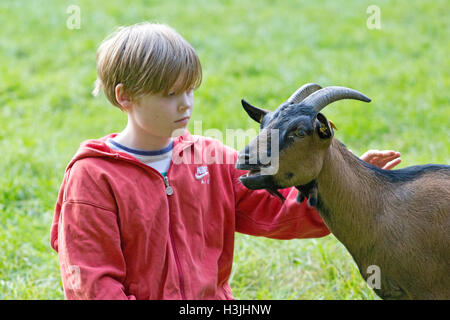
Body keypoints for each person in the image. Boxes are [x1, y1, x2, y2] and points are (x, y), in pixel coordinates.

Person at [50, 22, 401, 300]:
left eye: (190, 89)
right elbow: (91, 281)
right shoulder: (93, 177)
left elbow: (276, 209)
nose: (186, 104)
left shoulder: (212, 159)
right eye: (170, 94)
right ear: (125, 97)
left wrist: (341, 188)